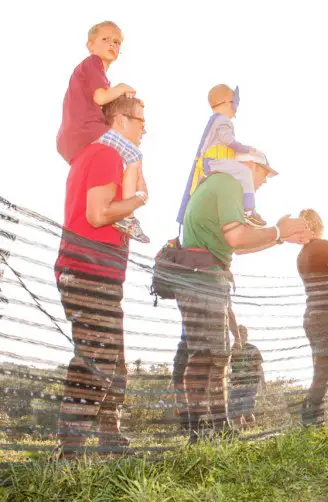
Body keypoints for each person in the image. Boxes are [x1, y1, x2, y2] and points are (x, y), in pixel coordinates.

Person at [173, 149, 312, 443]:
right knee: (205, 356)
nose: (263, 182)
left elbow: (236, 244)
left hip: (205, 274)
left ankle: (218, 426)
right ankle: (197, 431)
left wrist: (279, 237)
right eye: (263, 173)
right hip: (202, 277)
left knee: (217, 355)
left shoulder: (221, 182)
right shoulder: (229, 184)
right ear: (249, 166)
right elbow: (237, 237)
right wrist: (277, 230)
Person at [53, 95, 147, 458]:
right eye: (140, 121)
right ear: (121, 120)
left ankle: (111, 438)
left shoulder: (100, 155)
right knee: (97, 356)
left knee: (112, 357)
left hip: (100, 272)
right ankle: (69, 450)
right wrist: (138, 198)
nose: (144, 129)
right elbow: (97, 213)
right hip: (88, 270)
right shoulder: (106, 154)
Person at [56, 20, 149, 243]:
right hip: (87, 129)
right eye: (105, 39)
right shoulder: (93, 63)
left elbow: (99, 98)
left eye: (117, 42)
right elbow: (100, 97)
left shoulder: (94, 73)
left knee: (129, 155)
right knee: (135, 155)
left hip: (74, 138)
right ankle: (127, 217)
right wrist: (122, 87)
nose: (112, 44)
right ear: (90, 45)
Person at [176, 84, 265, 228]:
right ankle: (248, 211)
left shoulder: (216, 120)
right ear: (226, 103)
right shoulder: (223, 121)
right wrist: (245, 149)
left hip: (213, 162)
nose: (235, 110)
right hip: (213, 162)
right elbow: (228, 140)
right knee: (244, 172)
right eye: (234, 104)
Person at [296, 209, 328, 425]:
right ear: (318, 224)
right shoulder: (324, 246)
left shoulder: (302, 254)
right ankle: (309, 415)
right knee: (323, 371)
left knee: (319, 369)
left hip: (312, 313)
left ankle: (314, 417)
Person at [229, 319, 265, 429]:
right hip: (236, 385)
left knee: (247, 410)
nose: (241, 335)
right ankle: (241, 433)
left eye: (243, 333)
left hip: (251, 384)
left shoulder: (253, 349)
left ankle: (252, 430)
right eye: (239, 333)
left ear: (247, 335)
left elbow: (259, 366)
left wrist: (263, 382)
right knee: (236, 414)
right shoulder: (232, 350)